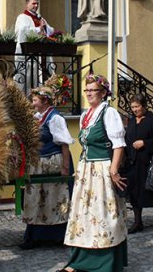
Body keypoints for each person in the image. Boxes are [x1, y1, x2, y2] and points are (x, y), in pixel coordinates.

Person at [59, 74, 127, 272]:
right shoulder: (86, 115)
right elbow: (85, 145)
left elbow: (119, 145)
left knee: (103, 214)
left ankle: (104, 263)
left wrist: (114, 171)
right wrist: (80, 169)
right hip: (87, 170)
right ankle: (79, 261)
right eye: (87, 90)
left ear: (104, 93)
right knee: (84, 215)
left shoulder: (109, 113)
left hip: (103, 169)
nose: (89, 94)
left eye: (93, 90)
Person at [20, 86, 74, 250]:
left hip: (53, 162)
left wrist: (65, 167)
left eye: (35, 100)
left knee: (54, 199)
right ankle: (34, 236)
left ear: (45, 101)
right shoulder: (38, 117)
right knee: (36, 199)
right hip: (39, 164)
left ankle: (58, 236)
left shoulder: (55, 118)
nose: (33, 103)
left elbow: (64, 143)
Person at [125, 94, 153, 234]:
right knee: (134, 193)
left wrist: (145, 143)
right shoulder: (131, 121)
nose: (135, 110)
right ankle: (138, 221)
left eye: (137, 107)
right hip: (134, 162)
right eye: (132, 107)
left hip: (149, 162)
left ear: (144, 106)